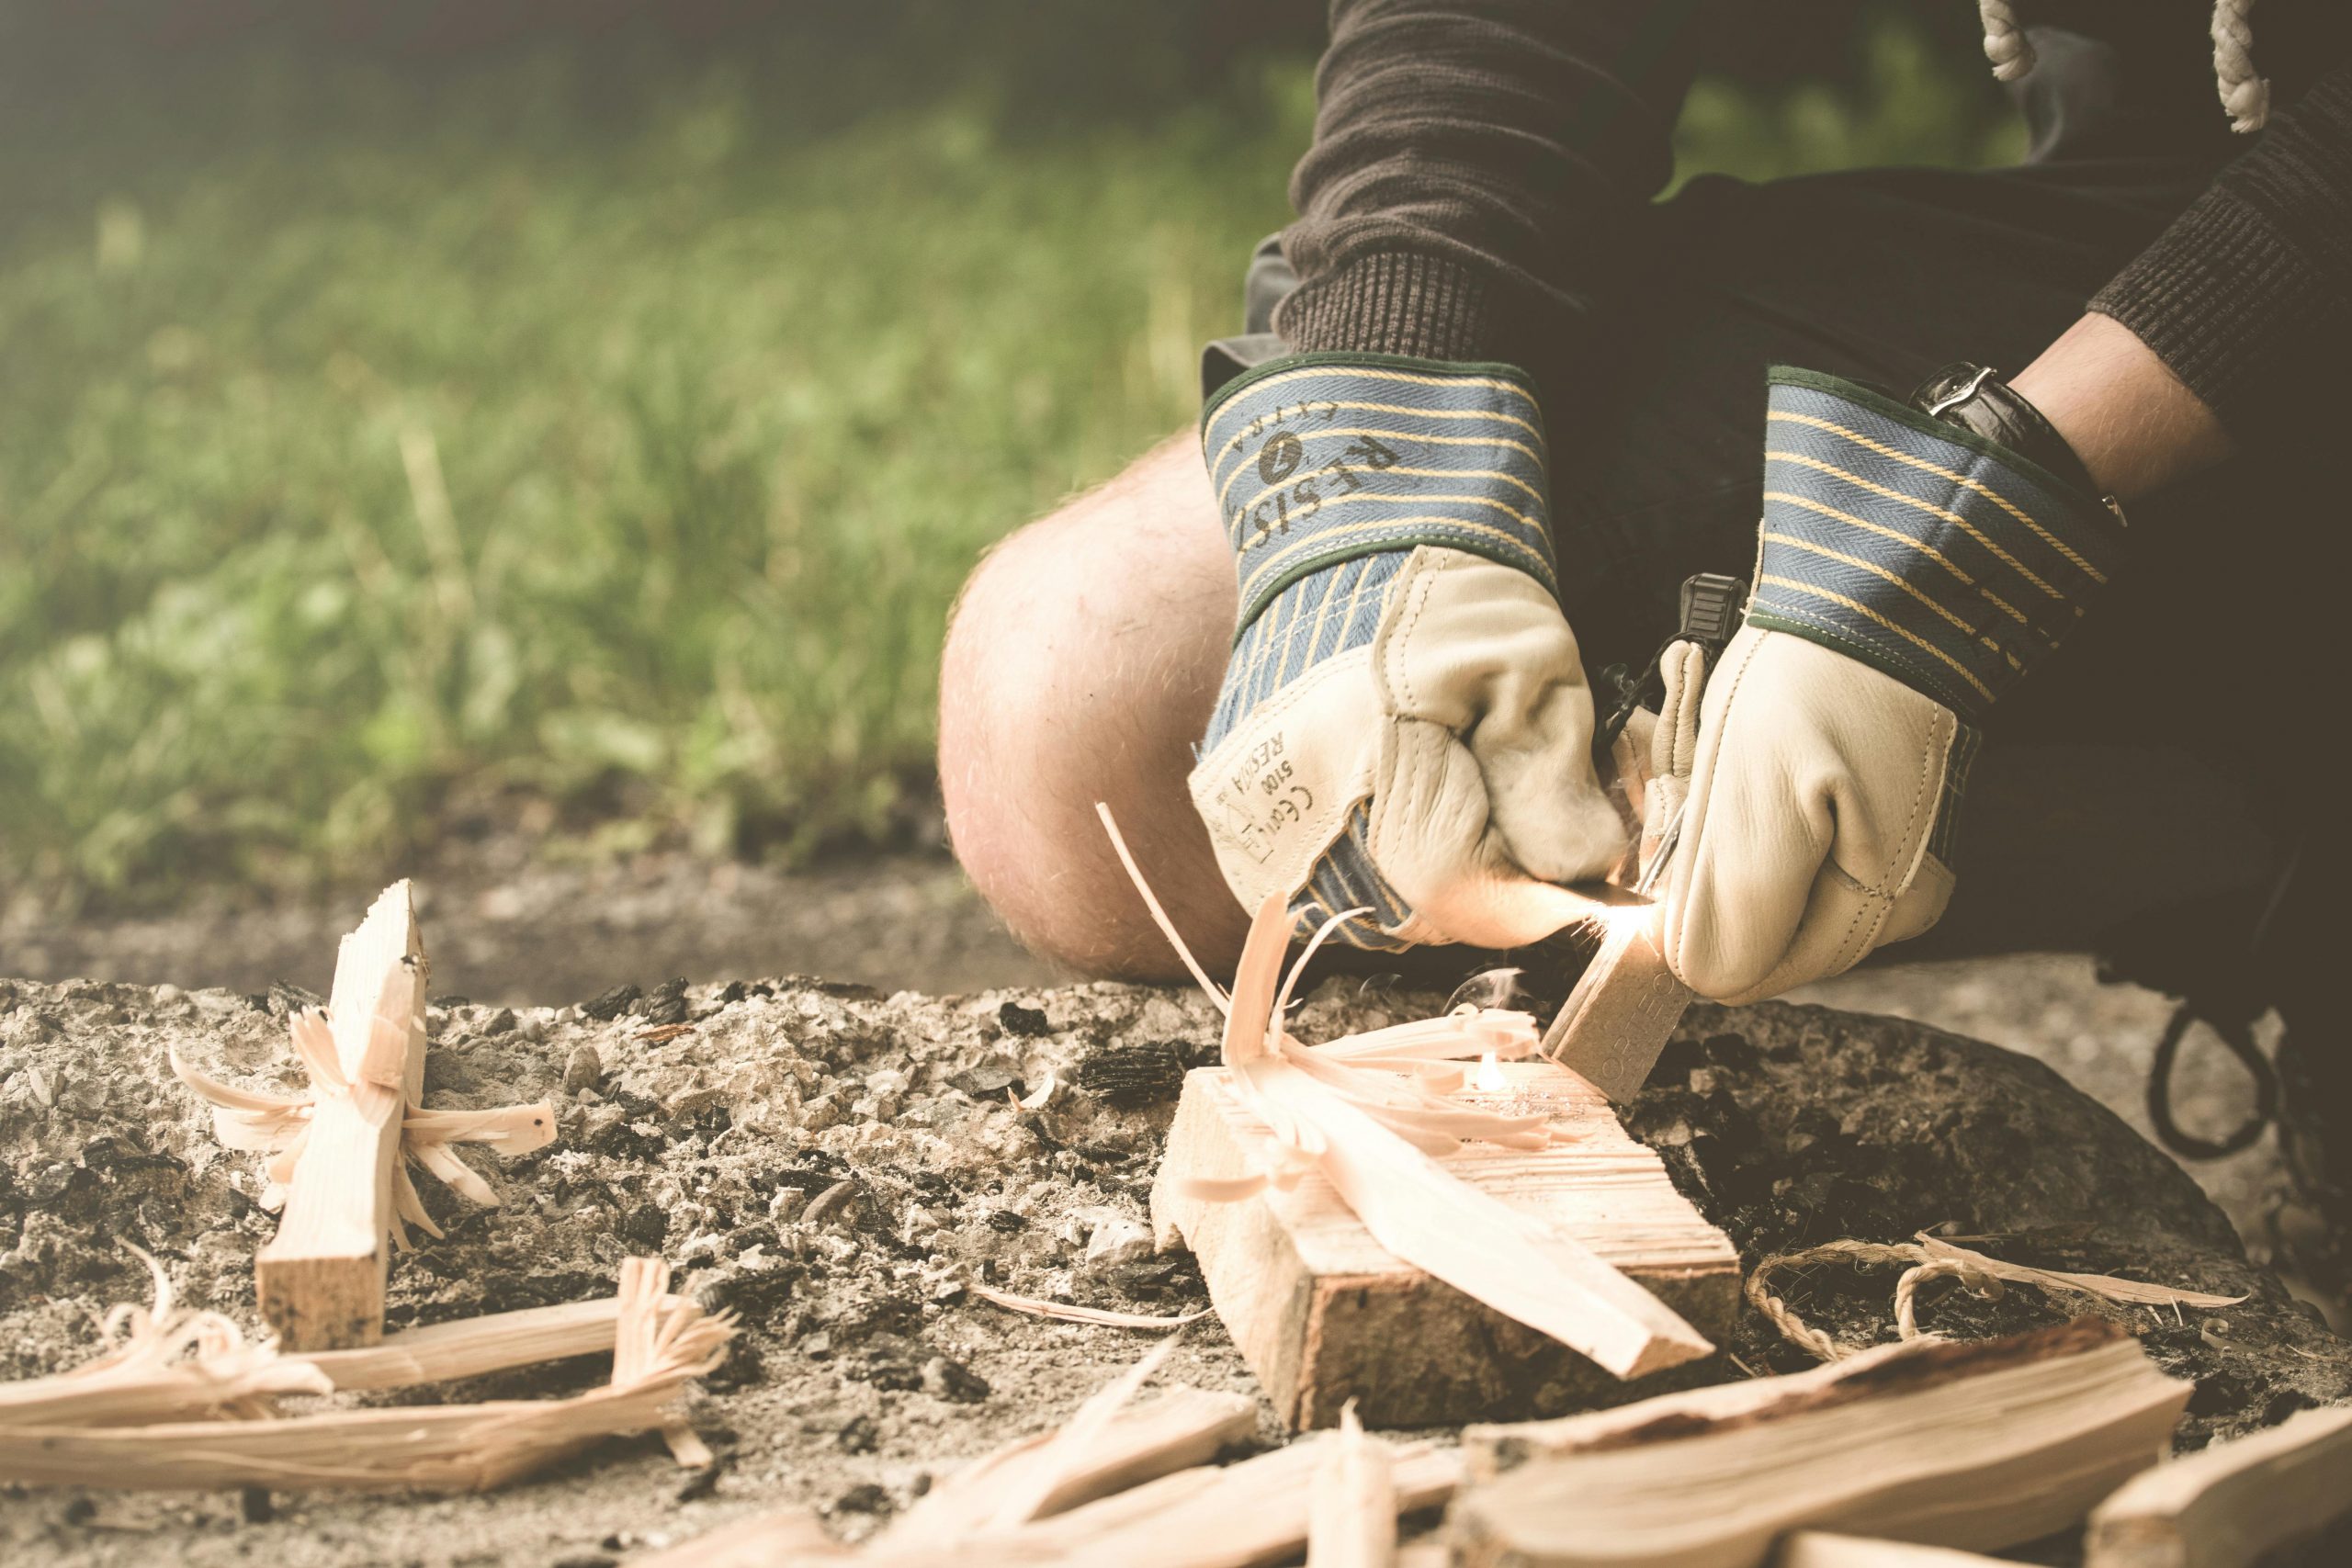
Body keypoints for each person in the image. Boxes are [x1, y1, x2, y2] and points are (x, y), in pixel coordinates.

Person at [940, 3, 2346, 1290]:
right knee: (1082, 704)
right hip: (2170, 212)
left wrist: (1996, 510)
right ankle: (2256, 839)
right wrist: (1382, 465)